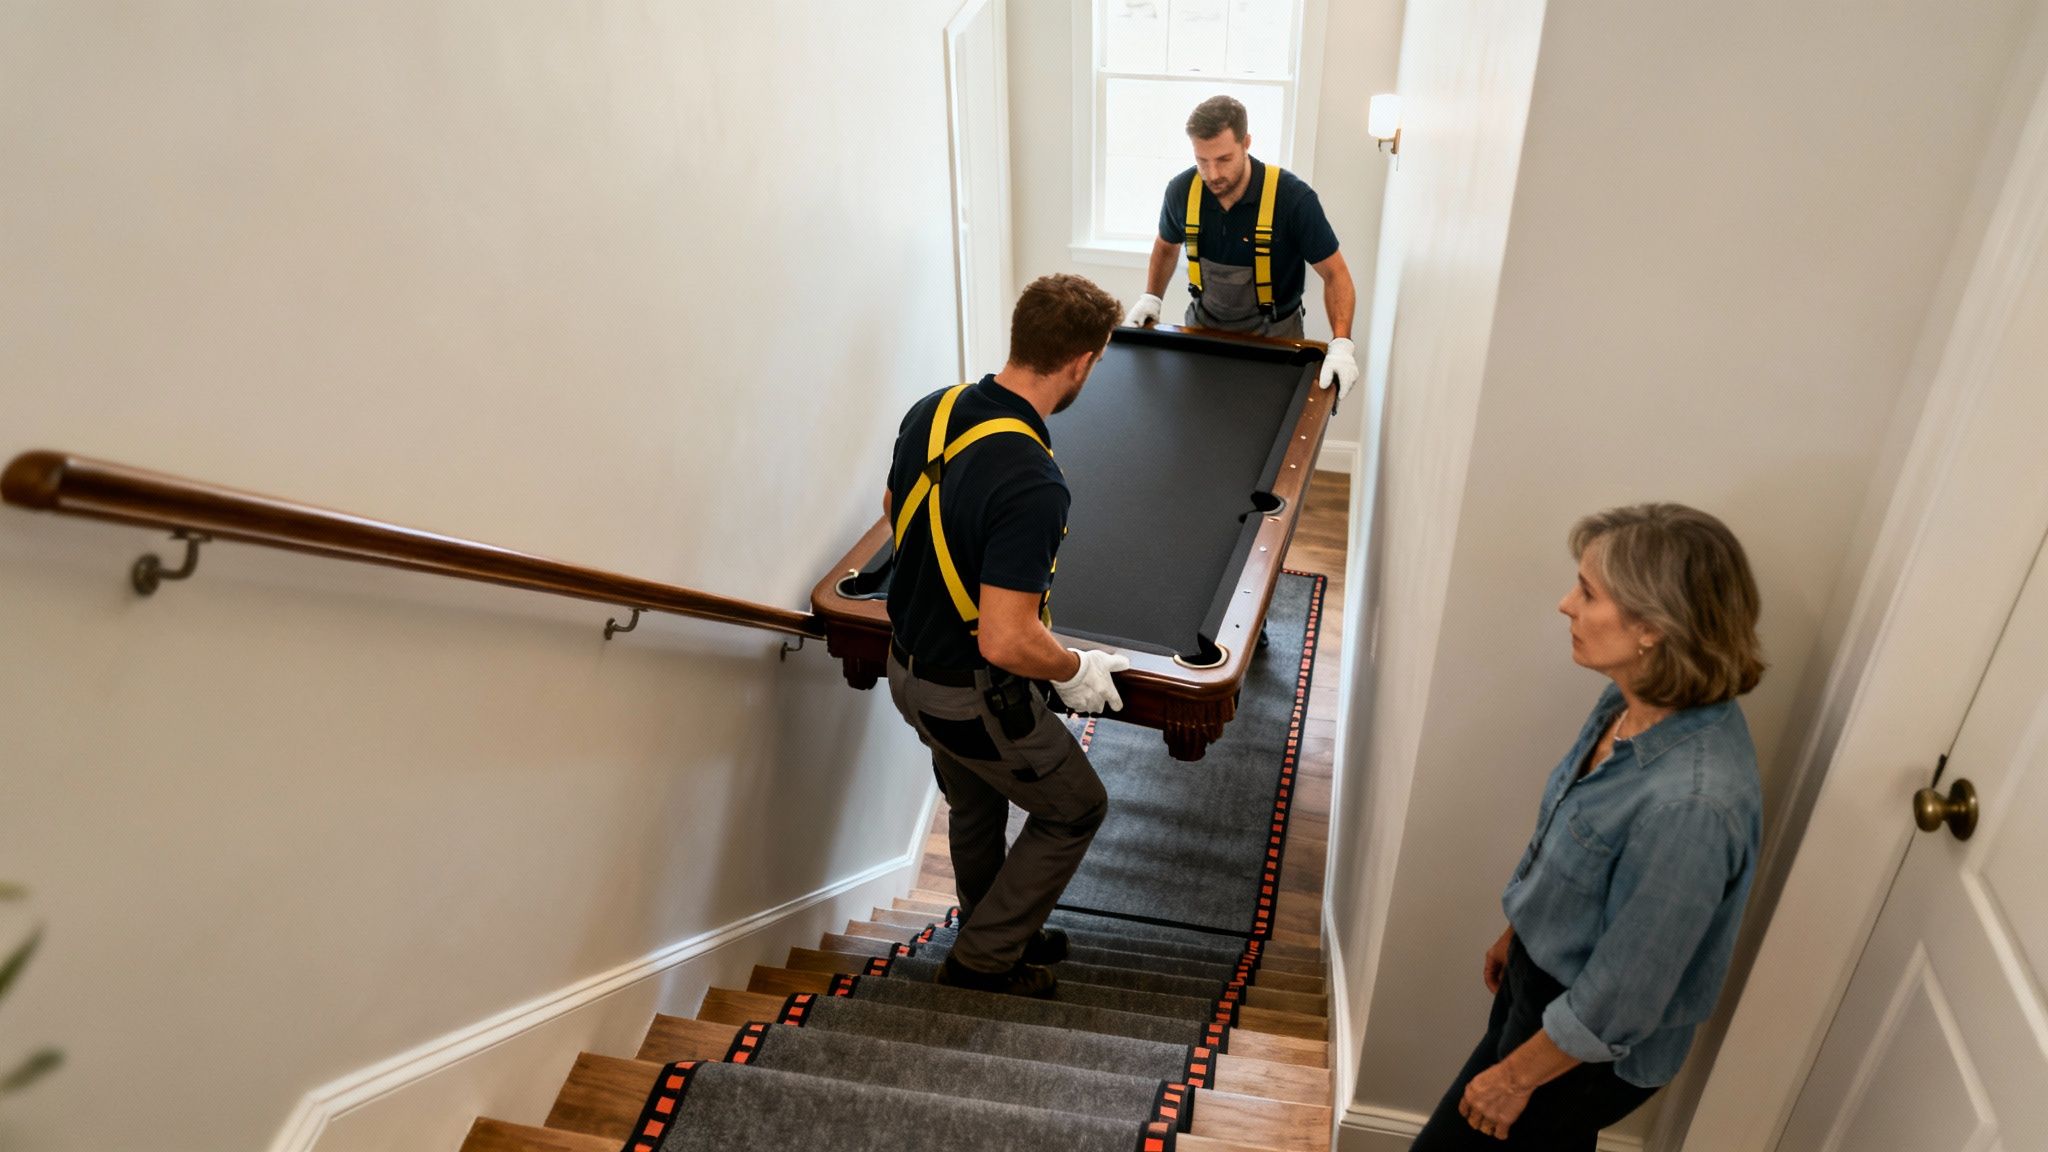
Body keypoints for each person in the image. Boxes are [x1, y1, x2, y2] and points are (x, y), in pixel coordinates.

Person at [1412, 504, 1767, 1149]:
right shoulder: (1629, 698)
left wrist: (1514, 1079)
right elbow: (1578, 846)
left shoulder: (1690, 807)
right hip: (1547, 991)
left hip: (1586, 1042)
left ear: (1653, 627)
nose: (1564, 605)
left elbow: (1626, 994)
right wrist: (1523, 928)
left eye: (1588, 592)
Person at [882, 273, 1131, 998]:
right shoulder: (1033, 478)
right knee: (1077, 807)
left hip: (909, 670)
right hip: (970, 695)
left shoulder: (934, 407)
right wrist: (1073, 668)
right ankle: (984, 962)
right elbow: (1006, 640)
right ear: (1083, 362)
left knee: (977, 802)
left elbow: (897, 509)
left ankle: (997, 926)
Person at [1123, 94, 1359, 398]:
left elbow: (1335, 273)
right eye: (1202, 161)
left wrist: (1342, 344)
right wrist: (1151, 298)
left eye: (1223, 159)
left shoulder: (1293, 199)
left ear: (1246, 142)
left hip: (1276, 338)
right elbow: (1166, 246)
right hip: (1203, 331)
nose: (1213, 174)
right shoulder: (1181, 191)